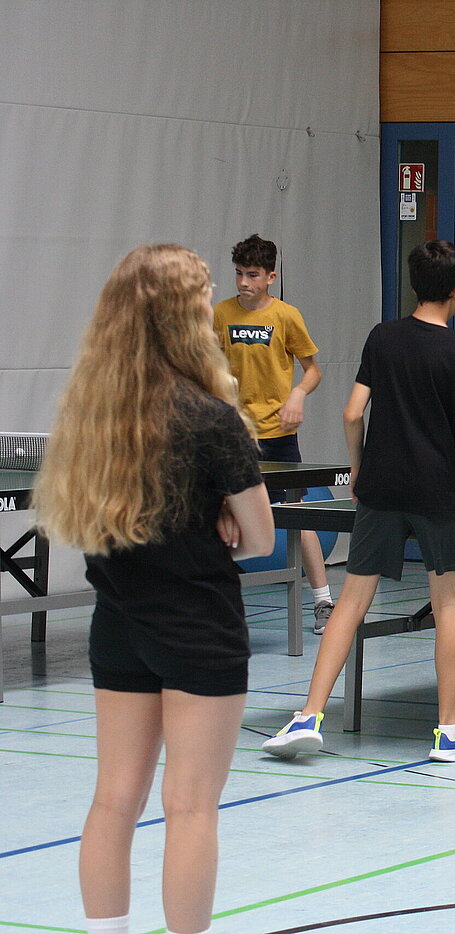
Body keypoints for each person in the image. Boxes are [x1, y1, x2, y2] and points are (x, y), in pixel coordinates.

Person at [33, 244, 275, 934]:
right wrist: (223, 519)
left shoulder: (91, 420)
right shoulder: (211, 419)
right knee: (191, 806)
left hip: (119, 627)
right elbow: (260, 539)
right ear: (184, 316)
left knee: (113, 800)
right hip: (199, 628)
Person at [262, 240, 455, 762]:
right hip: (438, 490)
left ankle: (308, 715)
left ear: (414, 285)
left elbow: (351, 413)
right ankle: (448, 731)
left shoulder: (383, 337)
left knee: (350, 601)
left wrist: (360, 468)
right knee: (449, 603)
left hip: (382, 487)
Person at [212, 234, 334, 634]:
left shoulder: (286, 316)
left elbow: (313, 370)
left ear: (270, 277)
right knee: (218, 515)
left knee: (298, 517)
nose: (243, 282)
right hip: (234, 437)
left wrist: (297, 394)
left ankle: (322, 602)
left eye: (252, 275)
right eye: (239, 274)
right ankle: (212, 601)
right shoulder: (221, 314)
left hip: (277, 435)